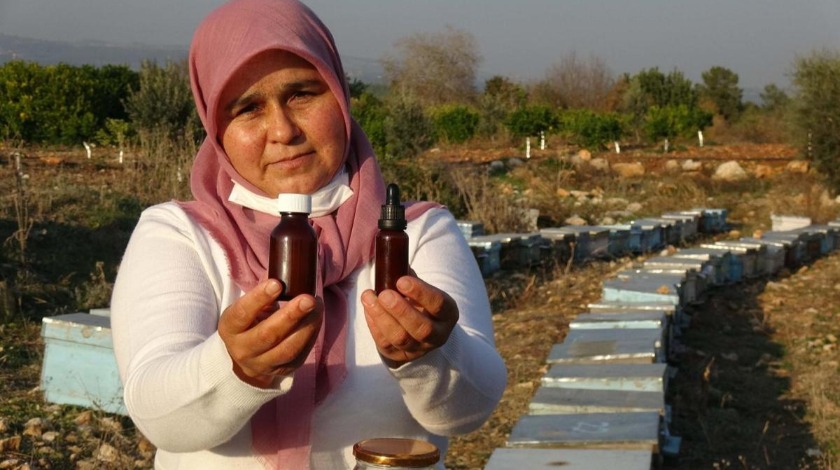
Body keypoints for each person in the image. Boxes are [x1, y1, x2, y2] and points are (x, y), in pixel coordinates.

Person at [110, 0, 507, 468]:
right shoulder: (180, 235)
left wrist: (433, 355)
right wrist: (233, 368)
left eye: (301, 94)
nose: (282, 130)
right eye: (248, 108)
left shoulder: (416, 232)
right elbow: (159, 416)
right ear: (215, 127)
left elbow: (470, 411)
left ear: (339, 96)